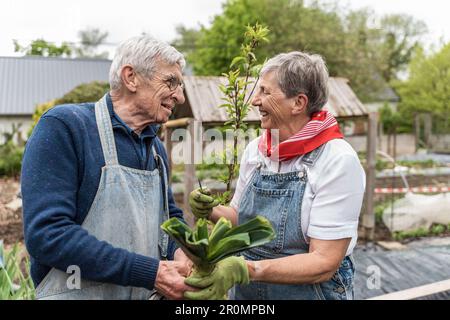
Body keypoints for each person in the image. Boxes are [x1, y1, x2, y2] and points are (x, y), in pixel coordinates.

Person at [21, 35, 194, 300]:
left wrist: (181, 251)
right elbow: (48, 235)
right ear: (131, 77)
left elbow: (169, 218)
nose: (180, 96)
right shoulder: (66, 128)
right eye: (171, 82)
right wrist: (151, 274)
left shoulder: (155, 149)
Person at [186, 51, 366, 300]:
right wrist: (211, 210)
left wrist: (245, 268)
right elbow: (242, 219)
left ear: (298, 103)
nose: (254, 101)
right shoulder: (256, 151)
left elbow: (324, 262)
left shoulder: (337, 160)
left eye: (265, 92)